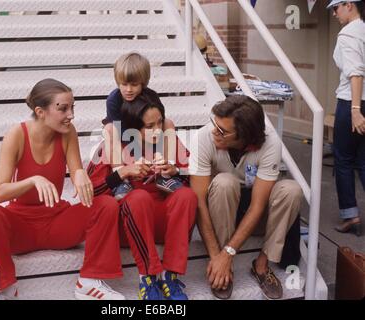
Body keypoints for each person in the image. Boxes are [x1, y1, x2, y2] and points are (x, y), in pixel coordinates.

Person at [0, 79, 125, 300]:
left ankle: (89, 281)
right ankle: (4, 288)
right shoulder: (16, 135)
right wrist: (33, 180)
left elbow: (76, 171)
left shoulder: (67, 132)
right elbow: (0, 192)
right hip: (21, 227)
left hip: (57, 222)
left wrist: (80, 173)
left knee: (107, 204)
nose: (71, 114)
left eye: (72, 107)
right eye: (63, 108)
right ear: (40, 111)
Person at [189, 95, 303, 300]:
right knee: (225, 182)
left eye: (223, 131)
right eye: (215, 123)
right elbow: (198, 203)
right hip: (221, 207)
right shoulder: (203, 137)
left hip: (253, 209)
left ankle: (261, 264)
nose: (215, 130)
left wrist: (230, 251)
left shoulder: (270, 143)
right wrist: (219, 256)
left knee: (291, 189)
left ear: (245, 138)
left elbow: (258, 206)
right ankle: (224, 268)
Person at [88, 93, 197, 300]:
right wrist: (123, 172)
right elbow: (90, 192)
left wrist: (175, 171)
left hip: (163, 223)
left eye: (159, 123)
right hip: (128, 226)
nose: (157, 131)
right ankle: (147, 278)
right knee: (138, 197)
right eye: (149, 126)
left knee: (187, 196)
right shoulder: (111, 146)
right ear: (131, 127)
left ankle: (170, 276)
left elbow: (198, 179)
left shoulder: (169, 141)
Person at [102, 52, 183, 200]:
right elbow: (121, 131)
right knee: (109, 130)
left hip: (147, 130)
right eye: (124, 84)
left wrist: (156, 144)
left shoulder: (150, 96)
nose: (128, 90)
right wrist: (137, 155)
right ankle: (121, 180)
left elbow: (159, 119)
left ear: (143, 83)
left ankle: (166, 173)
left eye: (134, 84)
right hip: (123, 132)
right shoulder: (113, 100)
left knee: (169, 123)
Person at [327, 0, 365, 236]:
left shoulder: (348, 34)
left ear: (348, 5)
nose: (334, 13)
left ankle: (351, 216)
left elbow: (356, 73)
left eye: (336, 8)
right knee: (362, 160)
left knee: (342, 159)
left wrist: (354, 109)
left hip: (351, 103)